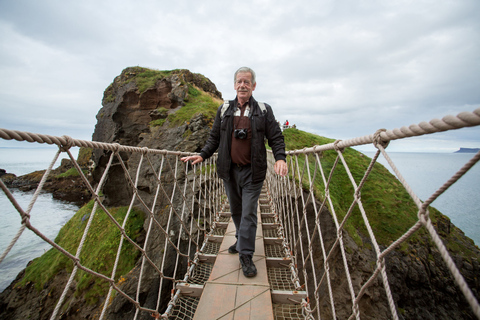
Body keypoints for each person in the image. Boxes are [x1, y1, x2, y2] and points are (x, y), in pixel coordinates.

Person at [181, 67, 288, 277]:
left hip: (253, 171)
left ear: (254, 86)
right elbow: (214, 138)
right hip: (229, 171)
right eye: (239, 81)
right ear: (234, 85)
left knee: (248, 212)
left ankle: (246, 255)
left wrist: (280, 158)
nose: (243, 85)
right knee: (236, 210)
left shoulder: (264, 111)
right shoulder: (224, 110)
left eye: (247, 82)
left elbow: (276, 137)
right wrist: (202, 155)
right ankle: (241, 239)